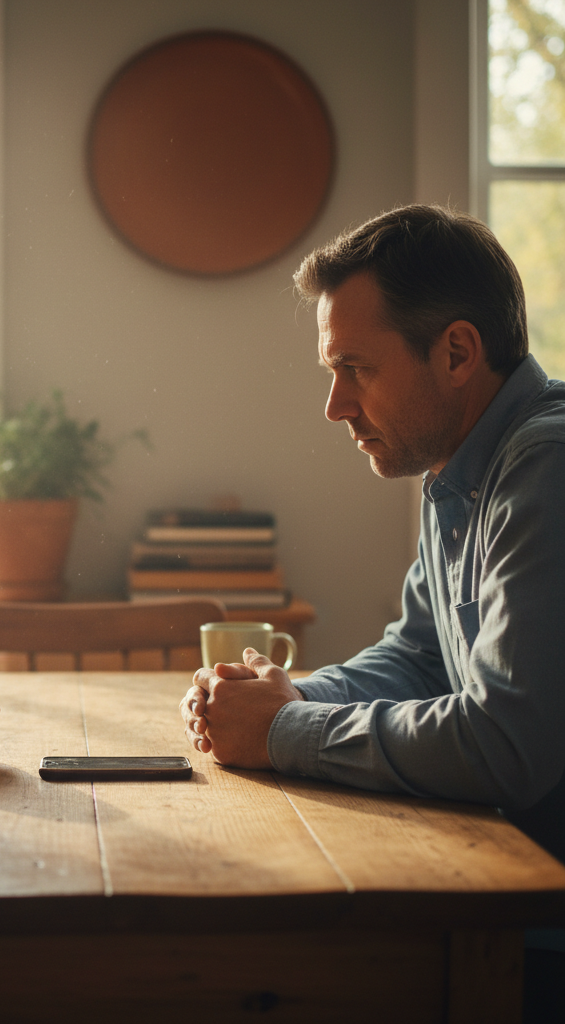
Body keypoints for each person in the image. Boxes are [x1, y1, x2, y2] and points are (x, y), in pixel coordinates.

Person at [179, 204, 564, 1021]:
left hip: (534, 932)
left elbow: (507, 745)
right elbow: (422, 653)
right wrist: (285, 696)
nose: (335, 406)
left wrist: (282, 734)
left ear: (457, 352)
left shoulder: (547, 468)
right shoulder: (459, 463)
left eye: (356, 367)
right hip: (502, 888)